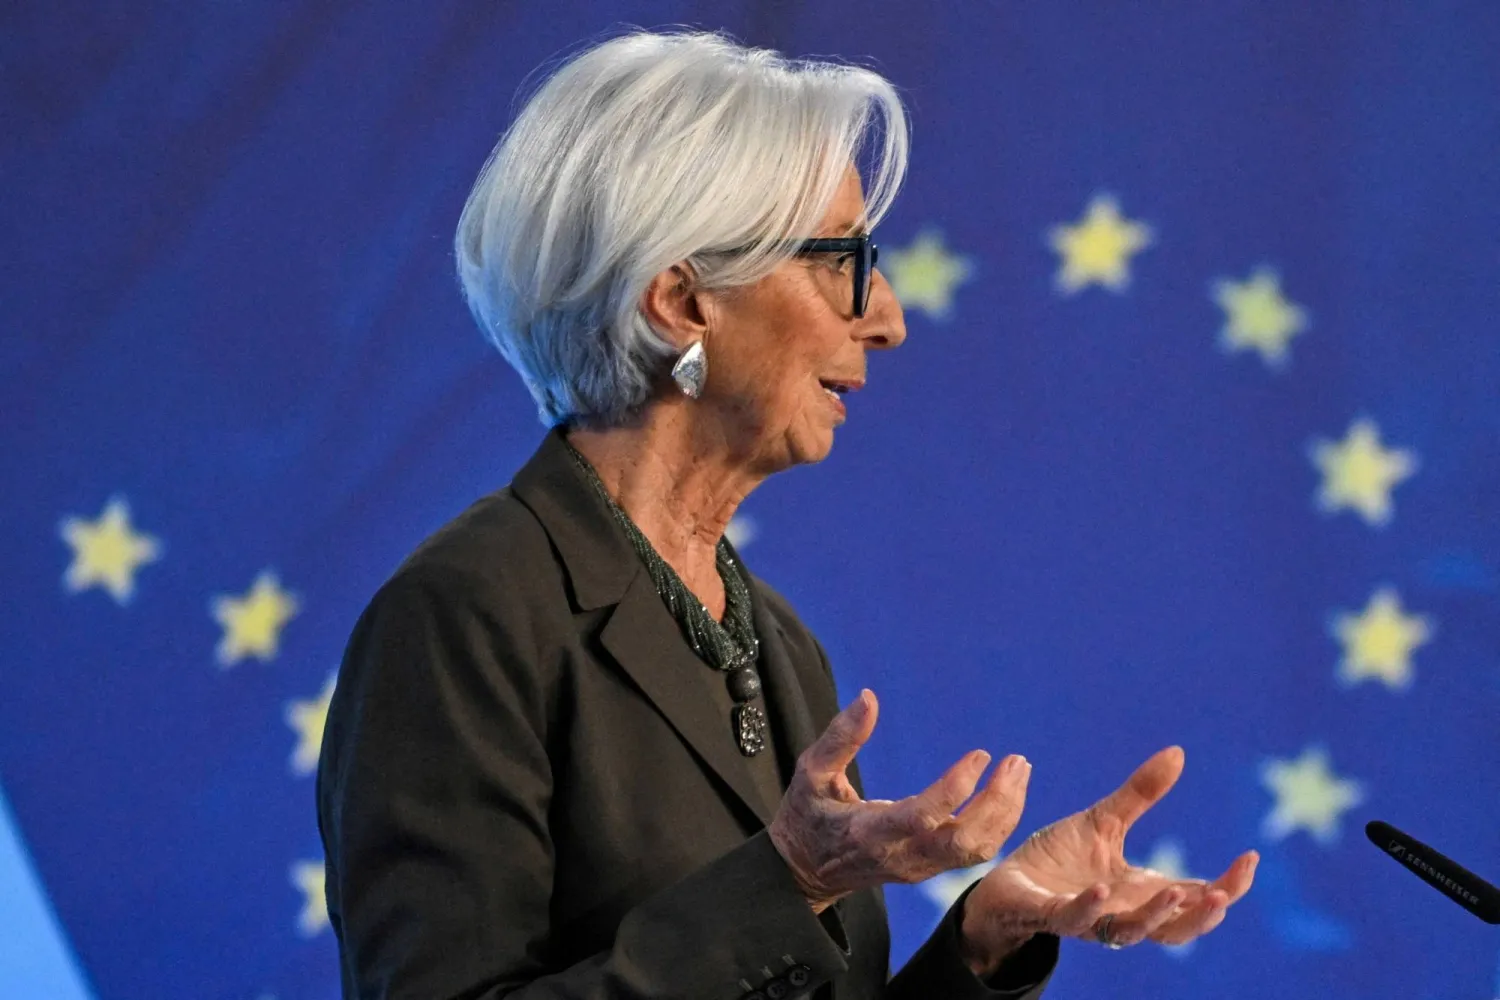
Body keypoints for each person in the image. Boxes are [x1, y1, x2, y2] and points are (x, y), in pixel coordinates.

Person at [316, 29, 1258, 1000]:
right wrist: (793, 878)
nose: (886, 316)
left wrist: (982, 940)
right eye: (841, 261)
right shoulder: (467, 617)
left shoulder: (776, 641)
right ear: (682, 301)